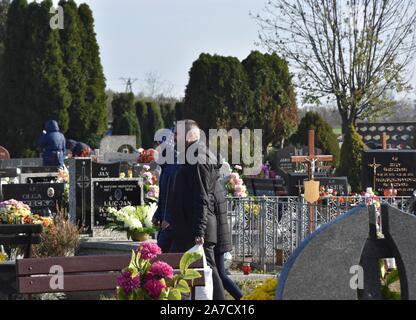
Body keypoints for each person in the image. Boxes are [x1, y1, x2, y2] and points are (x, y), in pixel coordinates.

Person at [170, 120, 225, 300]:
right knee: (189, 267)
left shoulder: (197, 159)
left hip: (196, 226)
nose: (173, 138)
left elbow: (201, 197)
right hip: (189, 225)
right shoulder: (193, 155)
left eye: (176, 134)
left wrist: (199, 230)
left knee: (208, 268)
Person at [213, 163, 243, 300]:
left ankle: (242, 298)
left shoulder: (213, 188)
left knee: (220, 274)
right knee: (220, 274)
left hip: (217, 236)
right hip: (220, 235)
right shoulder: (217, 186)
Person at [152, 130, 180, 253]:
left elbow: (173, 195)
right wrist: (157, 214)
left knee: (160, 253)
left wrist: (167, 217)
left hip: (172, 223)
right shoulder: (166, 164)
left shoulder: (173, 165)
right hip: (165, 220)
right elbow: (163, 195)